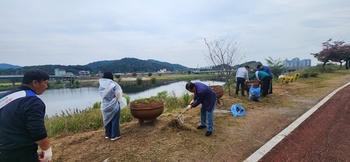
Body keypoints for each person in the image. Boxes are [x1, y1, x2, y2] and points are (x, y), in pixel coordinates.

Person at [0, 70, 52, 162]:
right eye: (45, 83)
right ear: (35, 83)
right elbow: (36, 129)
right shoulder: (32, 101)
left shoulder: (5, 96)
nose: (46, 86)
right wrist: (47, 150)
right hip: (20, 152)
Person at [98, 72, 126, 141]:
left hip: (105, 106)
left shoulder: (101, 86)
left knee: (107, 120)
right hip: (113, 105)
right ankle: (115, 135)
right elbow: (118, 95)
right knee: (114, 120)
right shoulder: (114, 85)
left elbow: (102, 96)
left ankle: (108, 134)